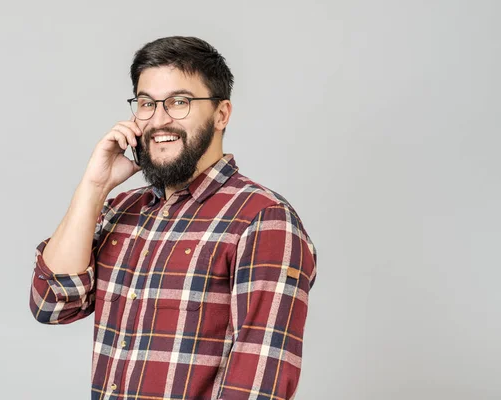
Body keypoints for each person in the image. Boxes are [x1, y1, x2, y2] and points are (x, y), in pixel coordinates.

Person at [29, 36, 317, 400]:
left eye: (179, 102)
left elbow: (260, 382)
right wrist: (94, 185)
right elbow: (52, 304)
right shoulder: (121, 209)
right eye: (147, 103)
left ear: (221, 113)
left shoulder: (263, 219)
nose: (159, 119)